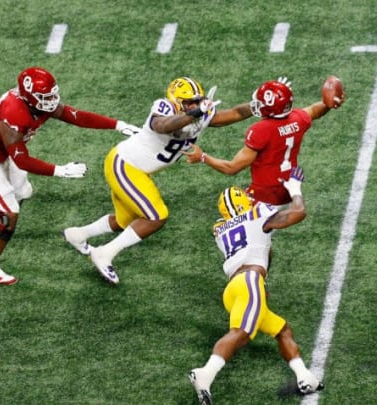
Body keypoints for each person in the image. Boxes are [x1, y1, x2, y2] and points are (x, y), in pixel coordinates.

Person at [0, 66, 139, 285]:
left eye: (51, 94)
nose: (51, 100)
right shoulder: (13, 112)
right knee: (9, 212)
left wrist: (118, 125)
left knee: (23, 191)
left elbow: (73, 115)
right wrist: (61, 170)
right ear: (30, 96)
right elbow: (21, 159)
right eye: (45, 96)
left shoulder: (33, 102)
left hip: (3, 152)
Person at [63, 77, 252, 284]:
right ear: (176, 101)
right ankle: (104, 253)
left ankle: (78, 234)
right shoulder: (164, 107)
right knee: (156, 216)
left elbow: (234, 113)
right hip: (125, 166)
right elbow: (162, 125)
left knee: (126, 220)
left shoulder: (198, 113)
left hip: (136, 170)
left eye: (198, 101)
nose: (195, 105)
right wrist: (195, 113)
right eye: (190, 102)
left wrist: (257, 106)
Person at [188, 167, 323, 405]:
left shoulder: (220, 228)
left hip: (234, 289)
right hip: (250, 281)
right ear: (243, 202)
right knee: (240, 333)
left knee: (281, 330)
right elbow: (298, 212)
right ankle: (205, 374)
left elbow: (263, 247)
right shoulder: (257, 214)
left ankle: (305, 377)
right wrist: (294, 188)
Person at [183, 76, 345, 207]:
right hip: (289, 189)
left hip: (265, 196)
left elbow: (232, 168)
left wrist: (203, 157)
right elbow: (314, 111)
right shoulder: (298, 119)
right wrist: (328, 104)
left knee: (229, 205)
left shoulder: (261, 130)